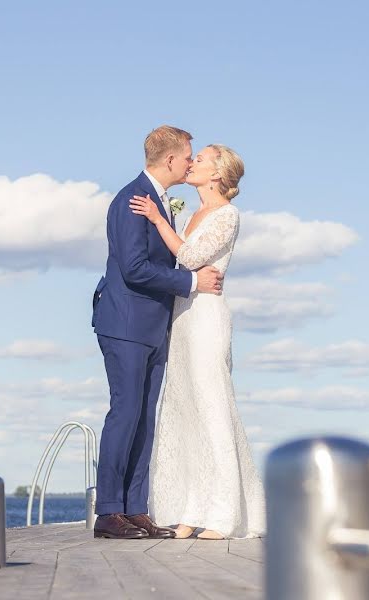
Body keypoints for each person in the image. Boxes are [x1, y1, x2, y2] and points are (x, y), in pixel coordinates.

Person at [90, 126, 224, 539]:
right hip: (125, 323)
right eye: (187, 156)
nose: (190, 162)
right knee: (125, 413)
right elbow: (132, 268)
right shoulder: (132, 200)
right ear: (170, 160)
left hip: (152, 327)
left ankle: (135, 509)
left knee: (144, 418)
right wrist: (190, 284)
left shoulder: (160, 203)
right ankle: (109, 512)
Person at [129, 144, 265, 539]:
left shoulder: (228, 215)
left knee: (211, 408)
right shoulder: (190, 213)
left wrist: (157, 220)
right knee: (184, 410)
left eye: (201, 159)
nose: (193, 163)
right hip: (182, 319)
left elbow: (189, 257)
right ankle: (189, 510)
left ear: (218, 174)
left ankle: (224, 514)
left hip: (207, 318)